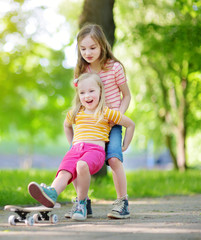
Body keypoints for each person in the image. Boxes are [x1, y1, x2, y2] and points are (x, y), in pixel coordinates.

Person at [28, 73, 135, 221]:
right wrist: (72, 143)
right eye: (82, 92)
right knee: (64, 172)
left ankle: (81, 203)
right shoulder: (76, 112)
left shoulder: (106, 112)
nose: (87, 96)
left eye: (91, 91)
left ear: (100, 92)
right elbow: (66, 125)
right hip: (76, 149)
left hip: (95, 151)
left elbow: (130, 124)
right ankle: (52, 194)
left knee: (81, 165)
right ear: (78, 95)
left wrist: (125, 144)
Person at [68, 23, 132, 219]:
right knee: (76, 161)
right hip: (89, 125)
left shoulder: (115, 68)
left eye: (93, 47)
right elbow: (81, 98)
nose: (88, 52)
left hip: (111, 122)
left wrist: (118, 118)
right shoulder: (81, 70)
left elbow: (126, 96)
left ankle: (122, 202)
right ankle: (83, 202)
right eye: (83, 48)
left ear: (102, 46)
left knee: (113, 158)